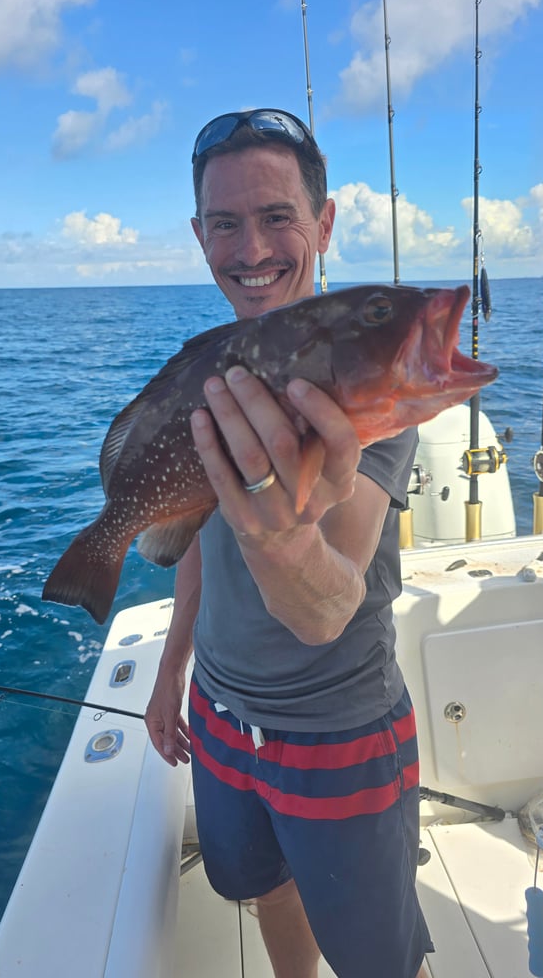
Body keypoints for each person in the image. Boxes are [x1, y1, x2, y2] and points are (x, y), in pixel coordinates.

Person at [144, 109, 434, 978]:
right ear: (200, 237)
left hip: (337, 729)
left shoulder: (360, 380)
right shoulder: (205, 371)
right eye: (226, 223)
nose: (252, 247)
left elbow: (330, 605)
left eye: (277, 217)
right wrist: (172, 669)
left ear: (325, 223)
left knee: (382, 956)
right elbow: (192, 536)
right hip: (221, 719)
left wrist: (281, 534)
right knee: (265, 887)